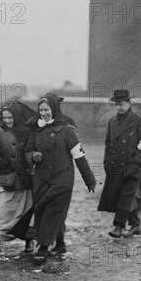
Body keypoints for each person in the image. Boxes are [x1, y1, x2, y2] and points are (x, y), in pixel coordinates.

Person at [24, 94, 96, 263]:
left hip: (62, 179)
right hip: (41, 179)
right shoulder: (37, 130)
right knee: (43, 210)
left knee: (53, 211)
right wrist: (33, 156)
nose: (43, 113)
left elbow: (80, 157)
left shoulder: (68, 130)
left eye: (46, 110)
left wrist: (89, 179)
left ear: (54, 110)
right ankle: (60, 244)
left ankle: (43, 248)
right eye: (41, 110)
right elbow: (27, 151)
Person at [0, 100, 35, 257]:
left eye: (11, 117)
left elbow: (31, 151)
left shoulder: (28, 132)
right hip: (3, 178)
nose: (8, 121)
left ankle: (29, 241)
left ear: (17, 116)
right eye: (5, 118)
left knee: (23, 212)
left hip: (24, 180)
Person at [98, 89, 141, 238]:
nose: (120, 107)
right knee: (123, 196)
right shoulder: (112, 121)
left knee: (125, 197)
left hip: (133, 167)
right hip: (115, 167)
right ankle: (135, 225)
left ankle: (119, 226)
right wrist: (107, 162)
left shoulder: (139, 120)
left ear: (129, 103)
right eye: (117, 104)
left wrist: (137, 163)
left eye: (122, 104)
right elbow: (108, 144)